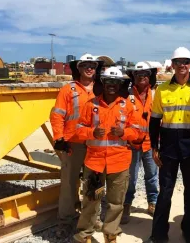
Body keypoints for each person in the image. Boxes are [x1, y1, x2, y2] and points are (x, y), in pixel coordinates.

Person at [73, 66, 142, 243]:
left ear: (120, 84)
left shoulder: (127, 106)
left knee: (116, 202)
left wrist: (123, 133)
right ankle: (84, 236)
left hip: (119, 163)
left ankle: (110, 234)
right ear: (102, 82)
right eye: (108, 81)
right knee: (91, 201)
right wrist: (91, 133)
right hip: (95, 163)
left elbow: (138, 132)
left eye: (115, 82)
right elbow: (78, 130)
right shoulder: (91, 105)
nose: (112, 85)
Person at [145, 47, 190, 243]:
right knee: (166, 190)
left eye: (186, 61)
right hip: (169, 146)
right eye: (178, 61)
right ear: (172, 65)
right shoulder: (162, 90)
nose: (182, 65)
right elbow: (154, 121)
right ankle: (159, 232)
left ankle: (188, 230)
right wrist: (154, 147)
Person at [50, 53, 104, 238]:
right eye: (85, 65)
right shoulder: (68, 90)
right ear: (78, 68)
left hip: (95, 145)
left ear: (97, 69)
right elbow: (57, 114)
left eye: (93, 65)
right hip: (73, 144)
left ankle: (91, 218)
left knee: (94, 185)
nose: (89, 68)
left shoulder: (102, 89)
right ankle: (65, 221)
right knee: (69, 184)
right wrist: (59, 138)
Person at [121, 63, 159, 224]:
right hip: (132, 143)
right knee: (130, 178)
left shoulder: (155, 94)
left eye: (145, 74)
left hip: (150, 143)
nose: (142, 76)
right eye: (138, 74)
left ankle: (153, 203)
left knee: (152, 176)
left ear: (150, 76)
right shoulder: (126, 95)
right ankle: (127, 204)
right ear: (133, 77)